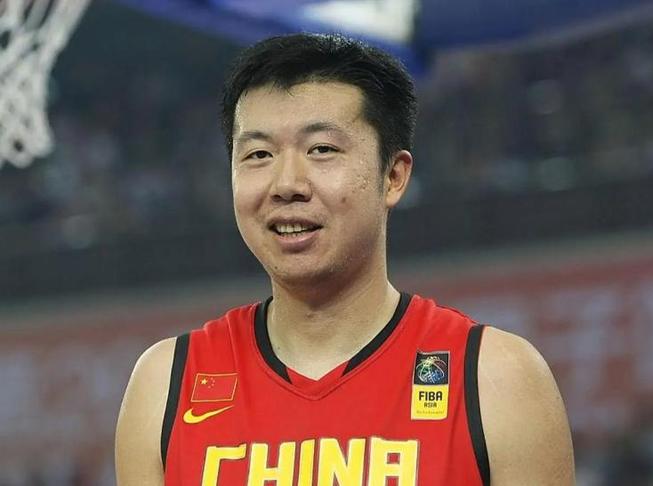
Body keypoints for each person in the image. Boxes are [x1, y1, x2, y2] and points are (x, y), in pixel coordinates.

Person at [115, 33, 575, 486]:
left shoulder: (496, 379)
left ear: (393, 176)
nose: (286, 184)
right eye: (258, 154)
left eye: (322, 149)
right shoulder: (166, 385)